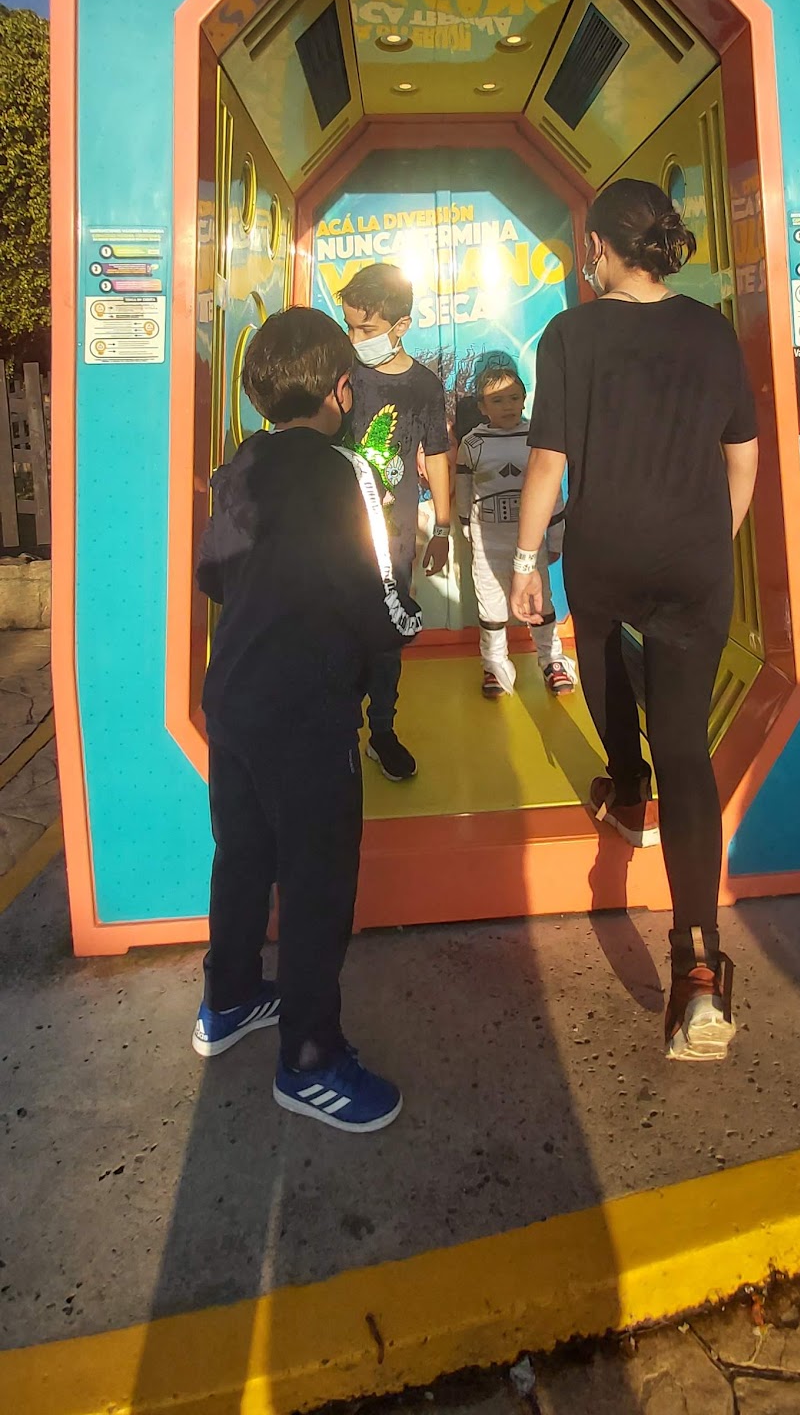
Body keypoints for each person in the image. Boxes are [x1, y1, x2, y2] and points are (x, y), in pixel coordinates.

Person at [511, 179, 758, 1063]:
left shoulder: (571, 334)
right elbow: (742, 458)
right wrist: (709, 539)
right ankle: (699, 966)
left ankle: (624, 785)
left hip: (606, 553)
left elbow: (549, 462)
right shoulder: (712, 331)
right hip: (695, 559)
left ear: (599, 249)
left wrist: (525, 562)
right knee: (688, 748)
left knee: (607, 672)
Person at [192, 307, 421, 1132]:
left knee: (243, 855)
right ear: (341, 388)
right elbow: (379, 592)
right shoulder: (343, 470)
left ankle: (229, 998)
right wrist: (404, 627)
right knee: (318, 884)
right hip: (308, 711)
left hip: (234, 700)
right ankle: (311, 1060)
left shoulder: (240, 465)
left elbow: (212, 574)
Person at [339, 263, 450, 782]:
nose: (354, 339)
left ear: (400, 325)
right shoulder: (342, 372)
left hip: (396, 539)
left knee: (387, 636)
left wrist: (442, 527)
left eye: (366, 329)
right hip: (336, 532)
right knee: (336, 632)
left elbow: (438, 454)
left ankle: (381, 731)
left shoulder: (424, 385)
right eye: (349, 326)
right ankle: (337, 730)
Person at [456, 359, 576, 697]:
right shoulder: (472, 444)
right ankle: (494, 665)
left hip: (531, 545)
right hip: (488, 544)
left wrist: (555, 537)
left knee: (540, 602)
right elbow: (464, 488)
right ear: (482, 407)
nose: (507, 406)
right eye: (497, 400)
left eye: (513, 398)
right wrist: (467, 527)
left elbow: (552, 493)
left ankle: (551, 659)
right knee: (491, 607)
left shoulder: (538, 438)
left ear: (524, 400)